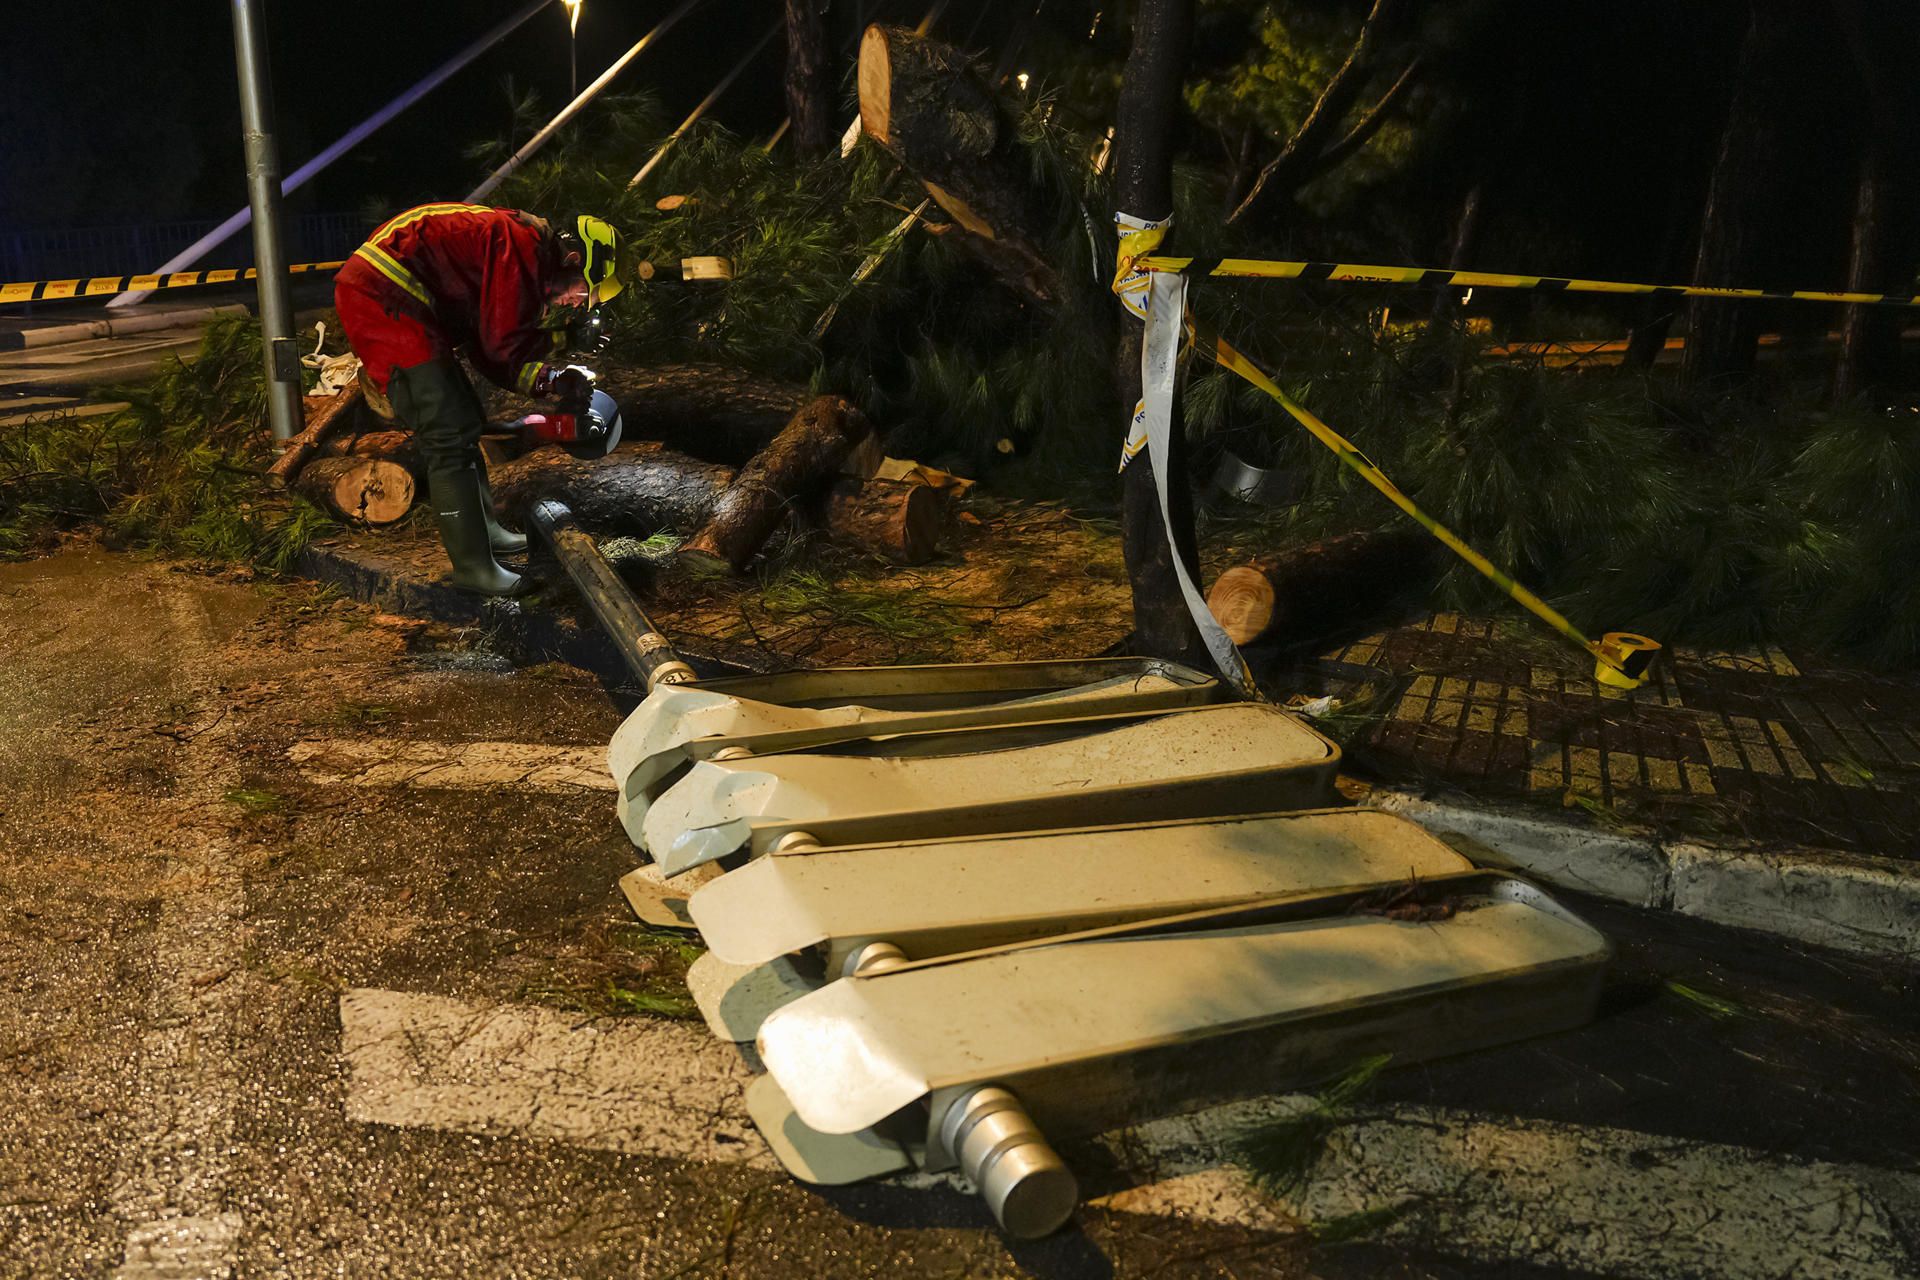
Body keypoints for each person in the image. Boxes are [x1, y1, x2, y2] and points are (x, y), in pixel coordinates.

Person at [333, 204, 624, 594]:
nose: (577, 303)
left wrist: (554, 379)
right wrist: (563, 342)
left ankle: (485, 531)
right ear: (573, 260)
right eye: (583, 290)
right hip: (382, 295)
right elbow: (501, 349)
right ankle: (472, 568)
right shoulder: (520, 248)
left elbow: (490, 353)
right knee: (448, 433)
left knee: (465, 418)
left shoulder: (524, 250)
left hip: (405, 297)